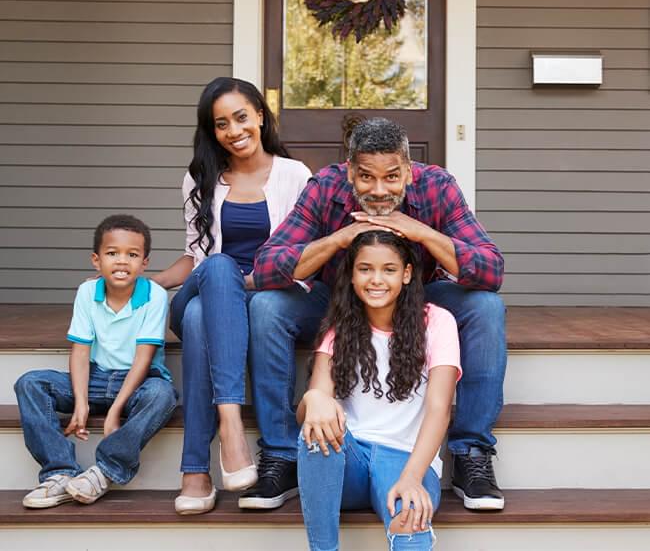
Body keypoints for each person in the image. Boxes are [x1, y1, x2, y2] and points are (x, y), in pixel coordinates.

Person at [246, 117, 506, 511]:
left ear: (409, 171)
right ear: (350, 170)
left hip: (415, 302)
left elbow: (491, 268)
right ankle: (281, 455)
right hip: (339, 301)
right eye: (366, 177)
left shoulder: (437, 186)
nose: (379, 190)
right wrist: (337, 240)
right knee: (266, 306)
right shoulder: (325, 187)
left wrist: (421, 232)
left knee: (486, 306)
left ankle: (471, 453)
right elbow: (266, 268)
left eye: (392, 176)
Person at [151, 77, 311, 515]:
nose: (234, 130)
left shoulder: (294, 176)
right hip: (213, 285)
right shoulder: (199, 178)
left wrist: (250, 282)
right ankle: (232, 426)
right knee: (217, 271)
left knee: (204, 316)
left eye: (241, 117)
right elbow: (195, 258)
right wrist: (149, 282)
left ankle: (195, 472)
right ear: (212, 131)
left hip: (262, 293)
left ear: (260, 115)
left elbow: (305, 256)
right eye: (221, 124)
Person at [297, 230, 461, 551]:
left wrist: (413, 477)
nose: (376, 279)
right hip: (350, 461)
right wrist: (313, 397)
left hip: (406, 461)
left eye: (389, 269)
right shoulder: (339, 330)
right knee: (315, 432)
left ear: (407, 274)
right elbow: (310, 412)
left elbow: (440, 409)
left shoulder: (438, 322)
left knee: (410, 527)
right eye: (365, 269)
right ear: (352, 276)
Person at [14, 214, 177, 508]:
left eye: (132, 254)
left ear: (145, 263)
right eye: (112, 253)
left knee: (162, 395)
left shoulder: (154, 295)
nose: (122, 261)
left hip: (138, 380)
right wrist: (81, 403)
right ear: (96, 260)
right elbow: (79, 351)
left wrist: (115, 411)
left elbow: (144, 357)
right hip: (96, 377)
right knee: (30, 383)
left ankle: (105, 470)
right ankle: (60, 472)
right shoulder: (88, 291)